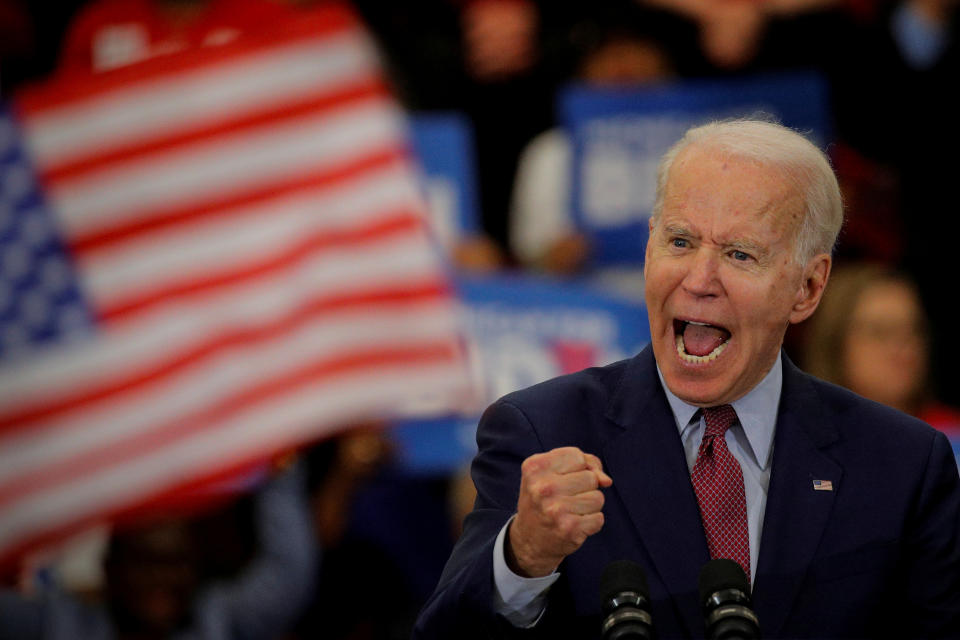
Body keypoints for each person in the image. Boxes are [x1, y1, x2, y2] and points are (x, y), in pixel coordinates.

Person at [412, 118, 960, 639]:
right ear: (649, 246)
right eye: (679, 242)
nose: (699, 280)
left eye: (740, 254)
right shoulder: (541, 429)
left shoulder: (903, 465)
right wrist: (523, 557)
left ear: (808, 288)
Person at [803, 263, 960, 433]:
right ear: (835, 344)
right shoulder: (799, 437)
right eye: (880, 331)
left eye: (914, 330)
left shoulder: (951, 436)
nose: (903, 346)